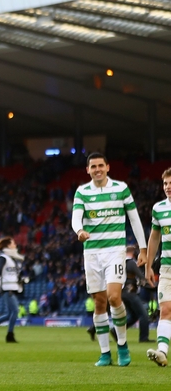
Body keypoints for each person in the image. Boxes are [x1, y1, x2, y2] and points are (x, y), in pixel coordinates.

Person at [71, 152, 147, 367]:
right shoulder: (82, 192)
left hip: (115, 251)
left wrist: (142, 249)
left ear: (108, 167)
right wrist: (80, 230)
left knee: (114, 297)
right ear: (87, 170)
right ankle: (105, 353)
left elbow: (134, 219)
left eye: (100, 165)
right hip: (92, 252)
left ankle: (122, 345)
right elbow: (76, 217)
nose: (97, 169)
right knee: (99, 302)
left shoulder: (121, 188)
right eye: (93, 166)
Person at [145, 168, 171, 366]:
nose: (168, 187)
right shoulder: (159, 209)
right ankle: (162, 352)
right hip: (167, 268)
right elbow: (154, 237)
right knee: (165, 309)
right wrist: (148, 265)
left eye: (170, 184)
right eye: (165, 184)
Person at [0, 237, 25, 343]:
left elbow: (12, 274)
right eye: (13, 243)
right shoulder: (3, 257)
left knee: (9, 314)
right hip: (6, 288)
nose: (15, 245)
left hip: (12, 287)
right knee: (15, 311)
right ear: (8, 245)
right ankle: (9, 335)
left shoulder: (13, 258)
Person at [121, 246, 152, 343]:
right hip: (130, 293)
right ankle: (143, 337)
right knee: (143, 314)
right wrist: (150, 285)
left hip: (122, 293)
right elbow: (141, 277)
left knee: (134, 316)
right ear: (133, 253)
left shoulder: (120, 263)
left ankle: (115, 331)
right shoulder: (130, 263)